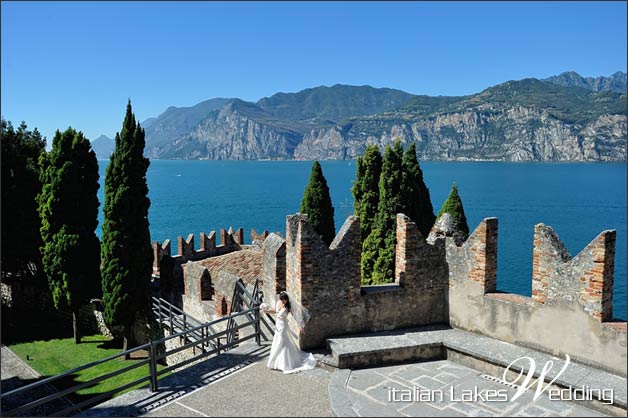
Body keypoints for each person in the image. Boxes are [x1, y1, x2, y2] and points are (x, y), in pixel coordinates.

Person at [261, 291, 317, 374]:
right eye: (282, 299)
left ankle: (284, 364)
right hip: (278, 325)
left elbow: (295, 316)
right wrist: (266, 311)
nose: (283, 301)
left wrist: (299, 326)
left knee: (281, 342)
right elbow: (275, 311)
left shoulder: (288, 307)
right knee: (278, 341)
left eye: (285, 299)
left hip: (283, 326)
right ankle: (276, 363)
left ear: (287, 299)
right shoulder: (278, 303)